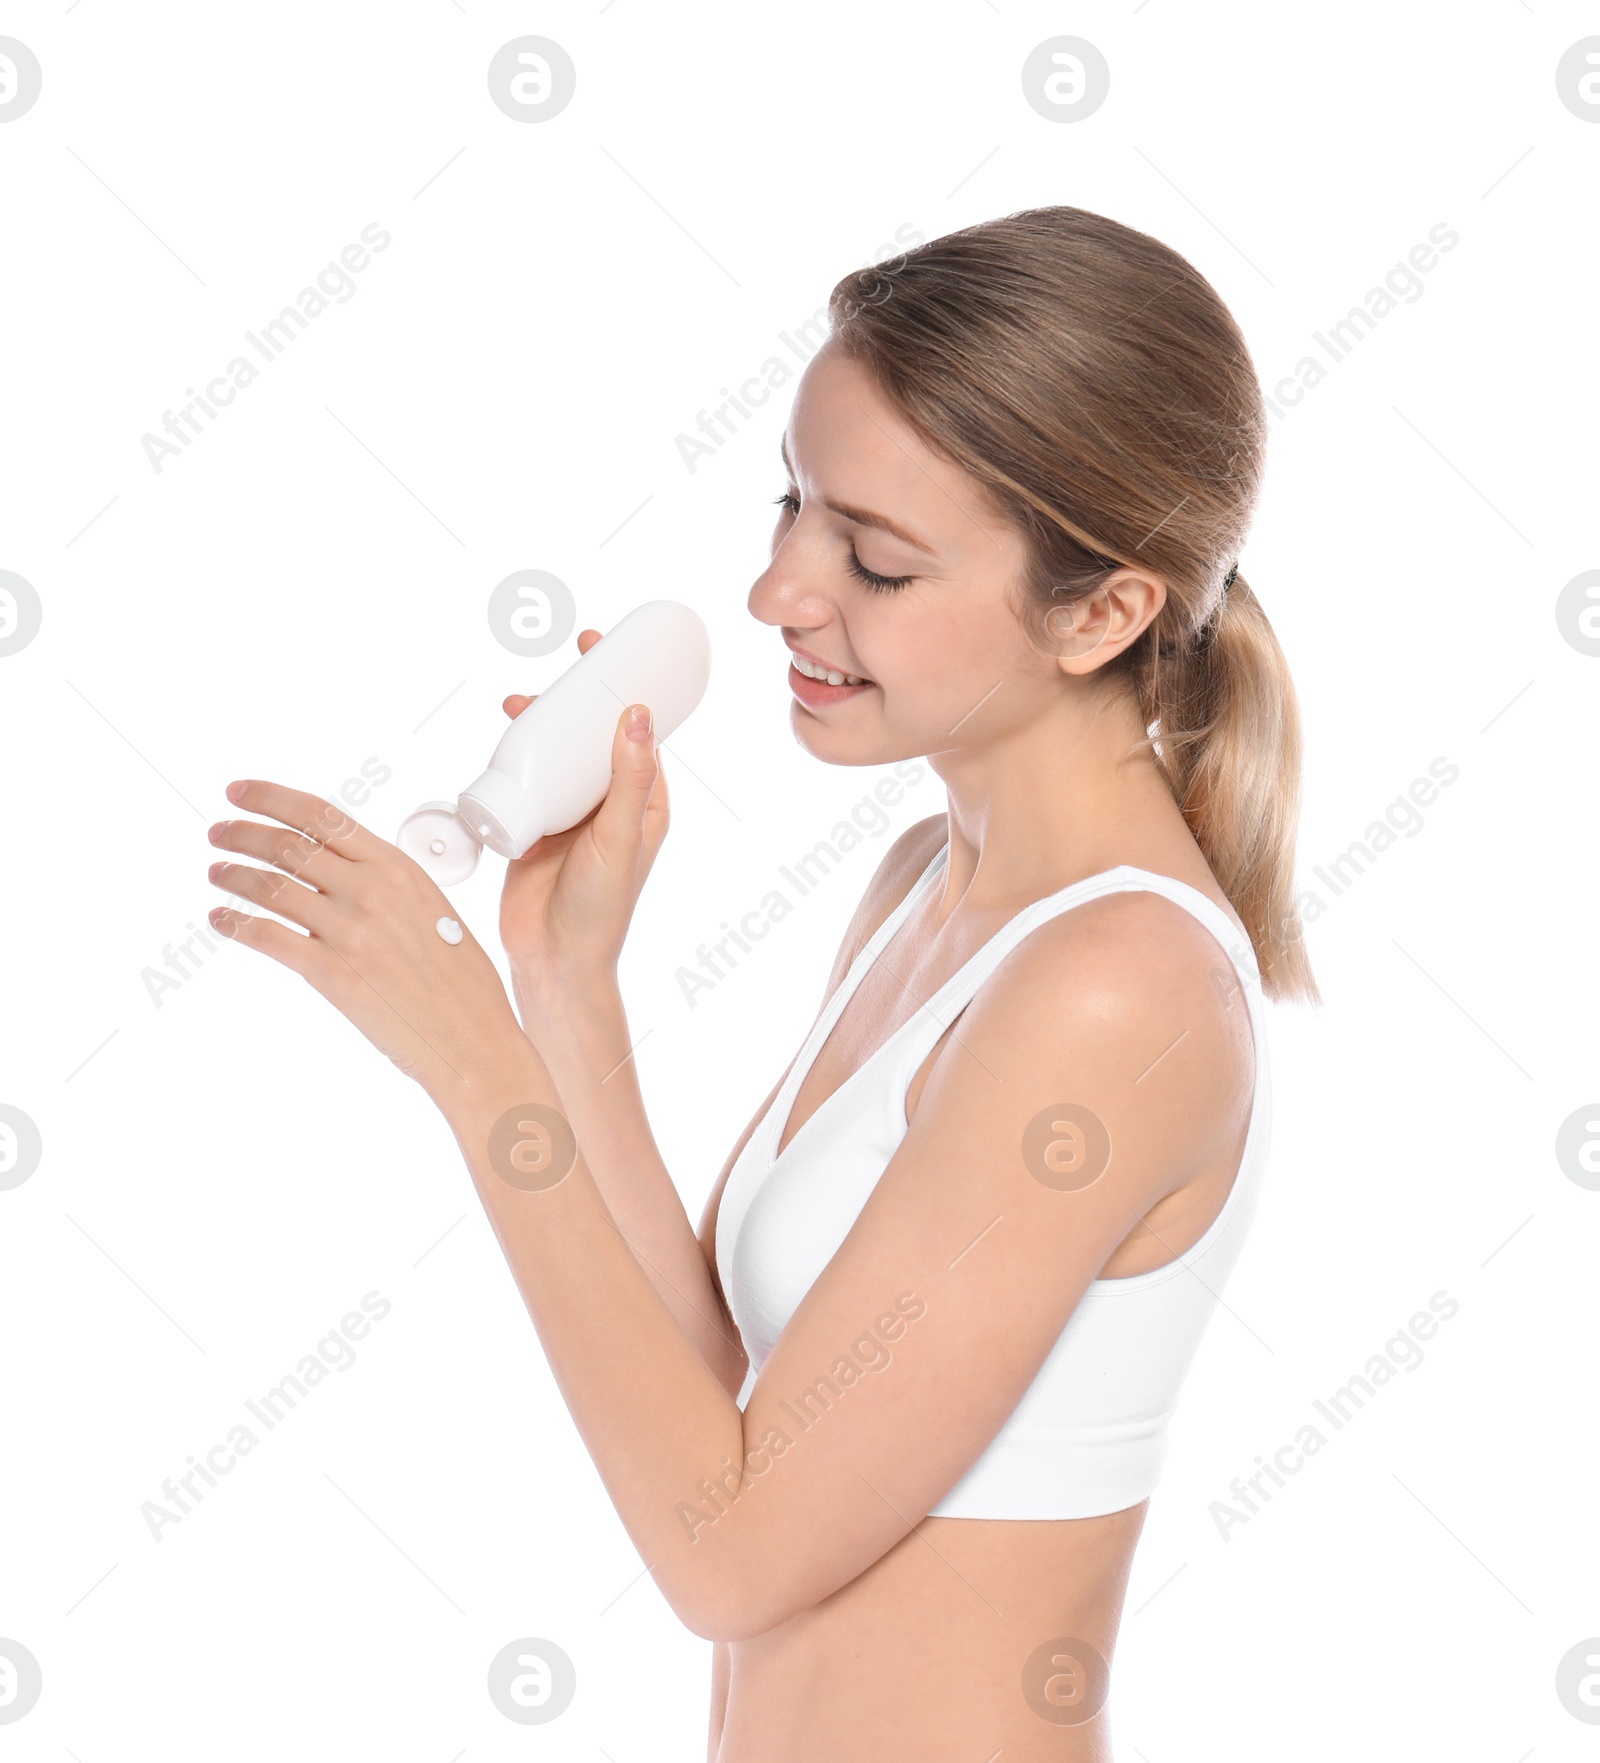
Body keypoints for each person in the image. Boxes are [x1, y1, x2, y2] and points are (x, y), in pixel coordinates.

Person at [204, 205, 1317, 1759]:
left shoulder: (1116, 991)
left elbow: (725, 1560)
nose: (779, 591)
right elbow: (749, 1428)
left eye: (873, 557)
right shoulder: (929, 889)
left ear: (1105, 611)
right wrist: (560, 985)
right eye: (794, 503)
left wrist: (474, 1066)